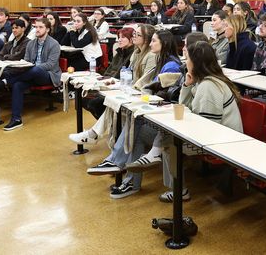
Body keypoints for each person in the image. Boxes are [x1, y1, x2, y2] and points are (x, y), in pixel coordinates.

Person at [85, 30, 182, 186]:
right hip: (156, 114)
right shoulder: (161, 61)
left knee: (134, 125)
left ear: (163, 44)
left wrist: (145, 95)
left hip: (165, 122)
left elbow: (164, 94)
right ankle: (126, 176)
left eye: (154, 41)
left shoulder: (170, 65)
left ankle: (119, 164)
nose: (150, 44)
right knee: (132, 124)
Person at [158, 41, 243, 202]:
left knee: (169, 143)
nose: (185, 61)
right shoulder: (203, 82)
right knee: (167, 137)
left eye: (187, 58)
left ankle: (179, 190)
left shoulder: (209, 86)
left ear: (196, 62)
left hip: (222, 141)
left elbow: (208, 126)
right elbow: (184, 107)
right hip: (217, 134)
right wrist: (186, 85)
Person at [69, 24, 156, 145]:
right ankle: (101, 133)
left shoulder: (150, 55)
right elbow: (127, 74)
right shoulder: (136, 53)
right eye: (134, 34)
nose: (134, 36)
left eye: (138, 35)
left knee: (109, 103)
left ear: (146, 39)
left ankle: (96, 133)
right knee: (107, 102)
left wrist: (125, 87)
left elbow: (144, 81)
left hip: (140, 94)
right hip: (128, 89)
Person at [0, 18, 62, 131]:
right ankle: (16, 119)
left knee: (36, 70)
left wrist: (32, 67)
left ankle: (6, 81)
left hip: (48, 75)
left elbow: (50, 65)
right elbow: (27, 61)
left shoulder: (54, 44)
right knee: (18, 85)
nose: (37, 30)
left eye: (40, 27)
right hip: (30, 74)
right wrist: (24, 66)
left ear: (47, 29)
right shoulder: (31, 44)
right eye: (36, 27)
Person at [82, 27, 135, 119]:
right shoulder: (120, 52)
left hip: (117, 87)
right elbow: (109, 70)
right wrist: (102, 80)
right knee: (84, 99)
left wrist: (106, 81)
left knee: (93, 103)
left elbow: (120, 75)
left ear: (131, 39)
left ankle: (110, 126)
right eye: (119, 37)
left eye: (123, 37)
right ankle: (108, 125)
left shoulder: (132, 55)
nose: (119, 40)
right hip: (108, 83)